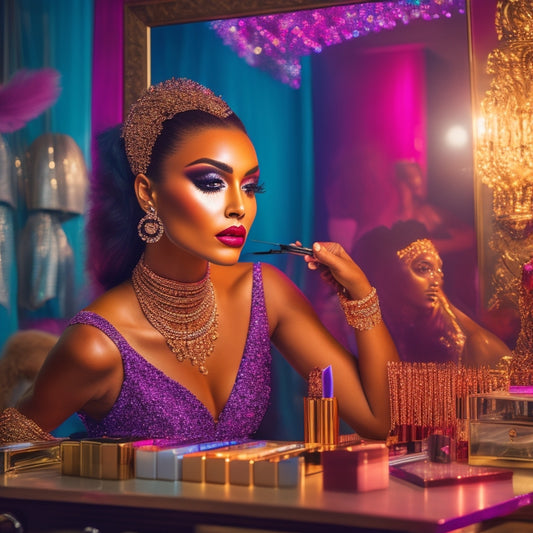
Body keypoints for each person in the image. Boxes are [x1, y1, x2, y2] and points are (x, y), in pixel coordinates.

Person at [0, 78, 399, 445]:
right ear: (147, 193)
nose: (238, 207)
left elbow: (382, 422)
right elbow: (10, 450)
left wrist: (361, 295)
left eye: (250, 186)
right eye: (211, 183)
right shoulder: (96, 345)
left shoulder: (264, 293)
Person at [353, 220, 511, 367]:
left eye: (438, 269)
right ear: (388, 277)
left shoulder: (476, 346)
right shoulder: (385, 330)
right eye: (424, 269)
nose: (437, 279)